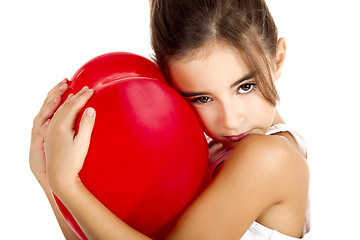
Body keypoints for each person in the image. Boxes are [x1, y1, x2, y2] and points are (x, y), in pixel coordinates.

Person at [29, 0, 310, 239]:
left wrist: (67, 185)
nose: (231, 121)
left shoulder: (268, 157)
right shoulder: (210, 148)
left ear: (278, 59)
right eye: (202, 98)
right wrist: (50, 179)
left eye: (245, 86)